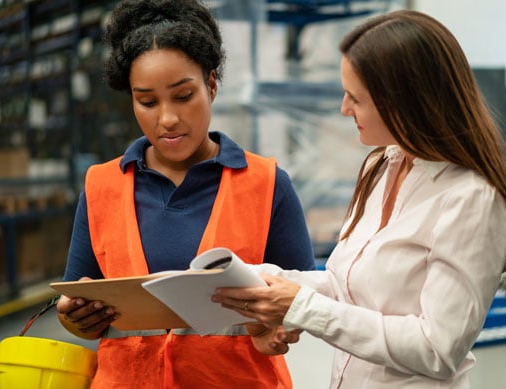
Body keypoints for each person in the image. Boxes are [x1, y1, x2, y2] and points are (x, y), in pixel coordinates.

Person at [212, 9, 506, 388]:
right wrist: (267, 282)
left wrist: (303, 308)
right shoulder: (381, 165)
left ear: (405, 102)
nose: (344, 109)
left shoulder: (472, 199)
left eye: (355, 98)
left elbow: (437, 348)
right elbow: (348, 286)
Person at [55, 0, 315, 388]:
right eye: (147, 101)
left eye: (183, 96)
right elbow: (77, 297)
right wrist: (72, 317)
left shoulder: (266, 183)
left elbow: (304, 299)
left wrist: (278, 326)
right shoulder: (101, 186)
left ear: (211, 85)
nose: (167, 118)